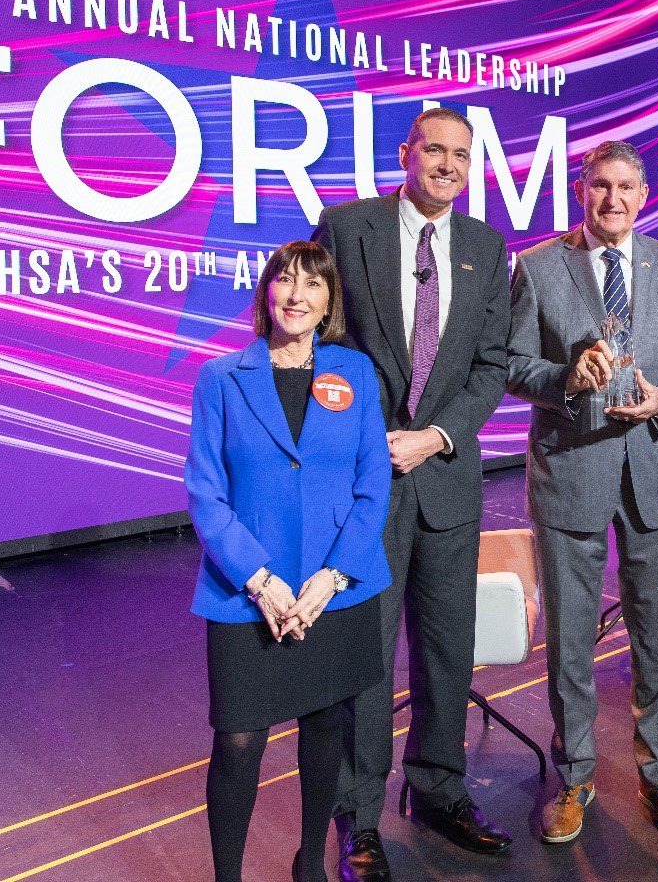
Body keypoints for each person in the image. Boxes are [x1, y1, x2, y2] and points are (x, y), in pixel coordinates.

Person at [311, 107, 511, 881]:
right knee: (363, 655)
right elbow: (317, 346)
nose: (449, 165)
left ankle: (437, 789)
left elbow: (490, 366)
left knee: (444, 653)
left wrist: (436, 436)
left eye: (463, 154)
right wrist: (364, 436)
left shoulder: (488, 249)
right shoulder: (346, 225)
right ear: (407, 153)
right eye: (436, 149)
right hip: (363, 487)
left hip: (447, 483)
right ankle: (357, 818)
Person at [506, 140, 658, 845]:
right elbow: (511, 362)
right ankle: (574, 778)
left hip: (654, 470)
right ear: (581, 190)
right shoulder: (537, 267)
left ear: (644, 194)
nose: (613, 199)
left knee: (657, 638)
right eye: (600, 186)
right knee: (569, 641)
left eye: (626, 187)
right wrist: (567, 380)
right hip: (571, 471)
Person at [185, 240, 392, 882]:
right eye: (285, 280)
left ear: (330, 301)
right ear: (266, 292)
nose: (297, 295)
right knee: (239, 741)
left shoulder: (355, 374)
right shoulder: (221, 377)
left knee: (326, 727)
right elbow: (205, 493)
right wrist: (261, 580)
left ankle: (309, 862)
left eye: (313, 284)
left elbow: (373, 483)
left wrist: (332, 577)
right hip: (247, 594)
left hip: (335, 592)